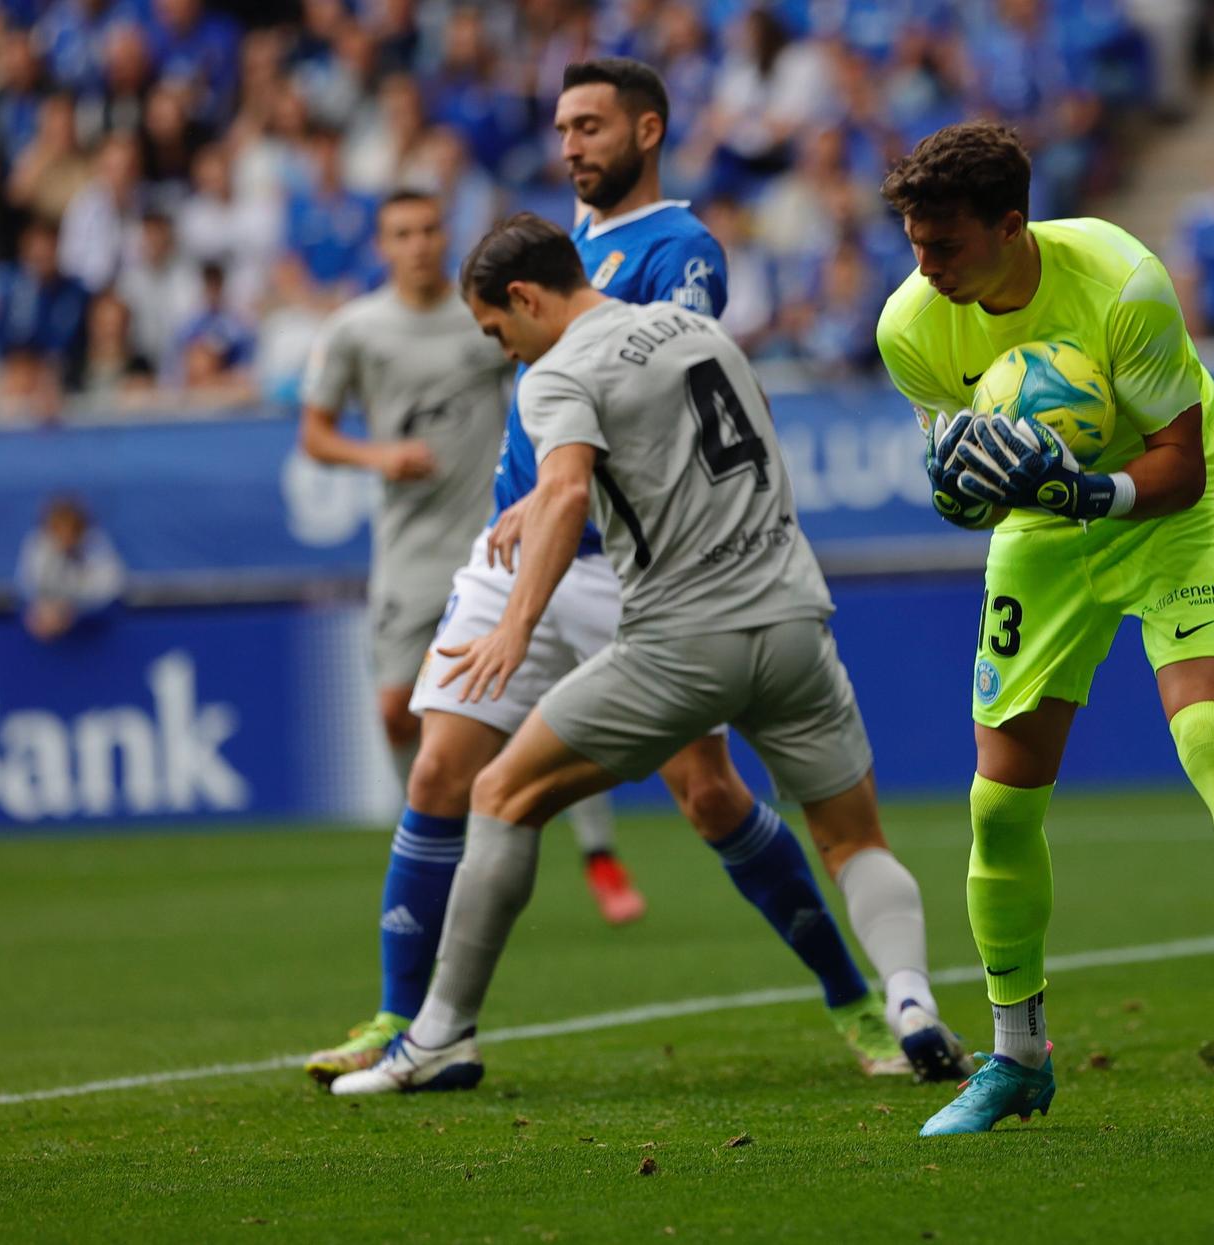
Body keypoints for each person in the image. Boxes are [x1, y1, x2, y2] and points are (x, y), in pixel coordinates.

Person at [313, 59, 962, 1087]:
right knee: (444, 771)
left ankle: (852, 1003)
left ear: (646, 131)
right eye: (560, 126)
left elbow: (647, 397)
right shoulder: (564, 253)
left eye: (590, 126)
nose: (570, 144)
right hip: (593, 563)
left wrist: (553, 497)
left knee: (699, 797)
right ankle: (408, 1018)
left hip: (633, 565)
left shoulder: (676, 252)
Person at [874, 121, 1214, 1137]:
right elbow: (962, 475)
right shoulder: (910, 325)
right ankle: (1015, 1057)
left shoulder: (1121, 281)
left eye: (944, 245)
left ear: (1008, 225)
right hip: (1047, 531)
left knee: (1211, 738)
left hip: (1166, 511)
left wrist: (1090, 489)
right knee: (996, 808)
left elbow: (1181, 460)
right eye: (914, 243)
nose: (925, 266)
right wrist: (969, 495)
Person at [297, 189, 647, 1083]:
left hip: (521, 547)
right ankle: (437, 898)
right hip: (412, 557)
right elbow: (315, 434)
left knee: (574, 729)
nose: (418, 246)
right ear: (381, 242)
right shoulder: (357, 331)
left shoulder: (493, 321)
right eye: (402, 233)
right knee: (399, 719)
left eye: (428, 232)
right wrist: (381, 458)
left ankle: (598, 854)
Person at [17, 495, 125, 641]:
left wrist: (74, 610)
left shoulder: (96, 545)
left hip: (95, 625)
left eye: (71, 530)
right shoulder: (37, 546)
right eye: (60, 530)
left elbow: (112, 586)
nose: (66, 537)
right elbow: (27, 585)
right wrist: (45, 610)